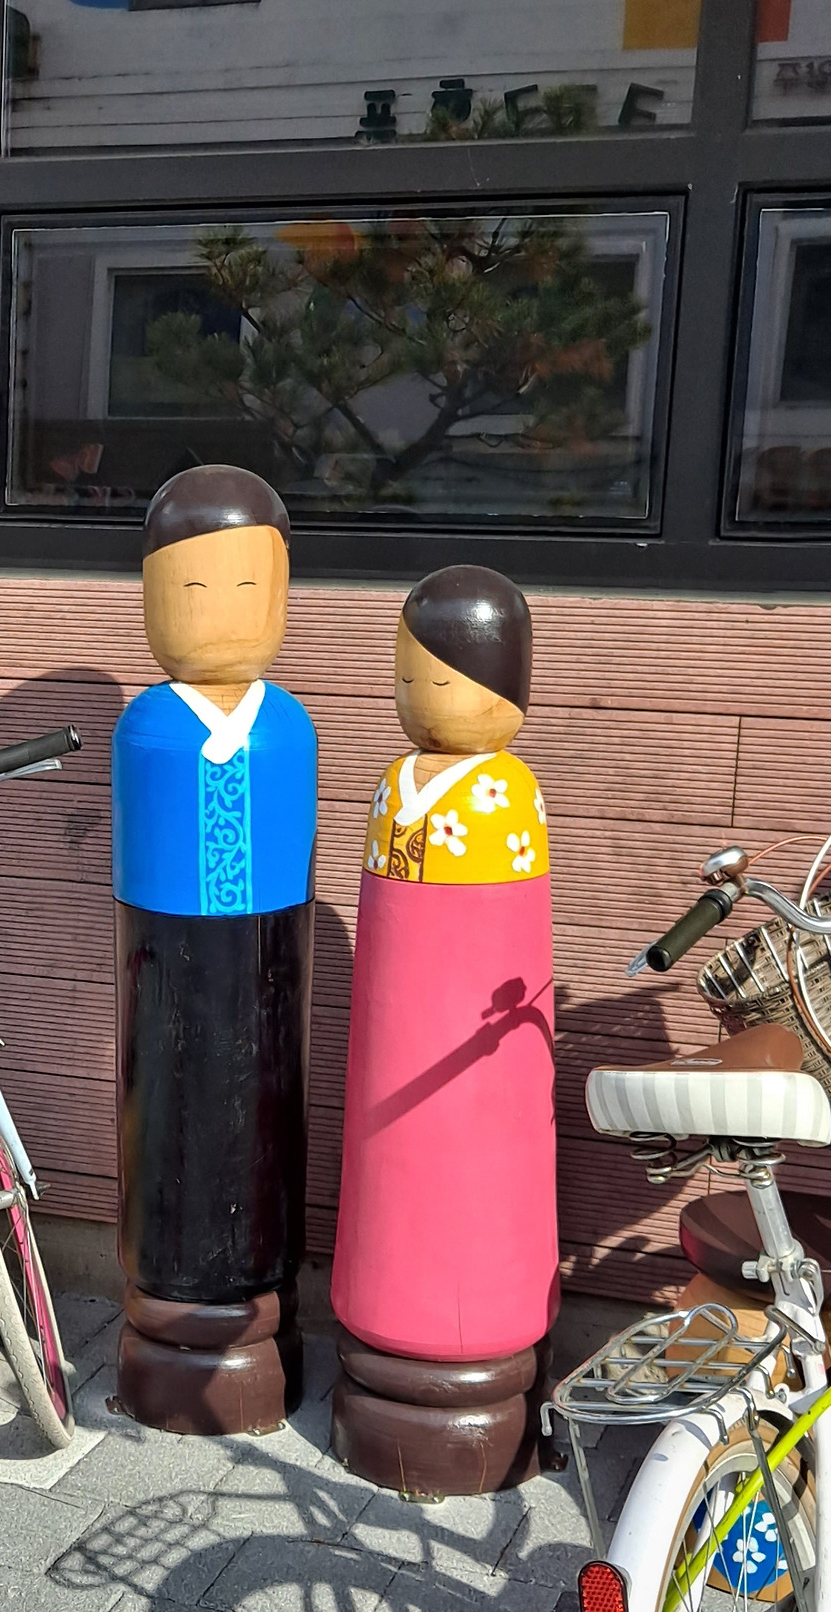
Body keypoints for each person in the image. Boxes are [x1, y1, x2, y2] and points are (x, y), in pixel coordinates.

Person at [330, 563, 557, 1483]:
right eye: (411, 673)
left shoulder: (509, 793)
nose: (424, 692)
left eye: (443, 674)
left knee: (478, 1160)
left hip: (480, 1062)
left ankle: (475, 1331)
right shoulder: (397, 787)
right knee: (395, 1162)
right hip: (395, 1070)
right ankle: (393, 1315)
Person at [111, 466, 317, 1426]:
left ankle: (264, 1285)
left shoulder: (286, 727)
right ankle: (167, 1278)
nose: (222, 608)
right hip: (161, 958)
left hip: (272, 955)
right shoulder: (149, 727)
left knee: (266, 1097)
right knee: (169, 1099)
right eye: (196, 586)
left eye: (244, 584)